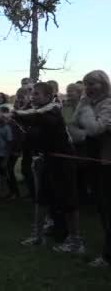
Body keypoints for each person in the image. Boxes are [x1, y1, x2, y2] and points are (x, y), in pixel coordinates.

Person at [15, 82, 84, 254]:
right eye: (32, 94)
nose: (33, 97)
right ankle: (38, 236)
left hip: (62, 163)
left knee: (68, 201)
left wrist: (13, 114)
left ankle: (76, 242)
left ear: (49, 96)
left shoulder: (52, 109)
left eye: (37, 94)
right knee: (42, 199)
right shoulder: (38, 111)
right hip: (46, 161)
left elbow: (35, 118)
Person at [71, 70, 111, 267]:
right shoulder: (90, 104)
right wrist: (83, 106)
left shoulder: (108, 104)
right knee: (102, 208)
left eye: (93, 83)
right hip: (94, 161)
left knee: (107, 209)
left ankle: (107, 256)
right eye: (86, 84)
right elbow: (74, 127)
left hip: (107, 163)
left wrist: (86, 111)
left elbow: (96, 129)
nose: (88, 88)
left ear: (104, 84)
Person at [0, 107, 16, 198]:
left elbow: (9, 144)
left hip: (2, 155)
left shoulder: (6, 128)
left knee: (3, 174)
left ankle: (5, 191)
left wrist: (6, 159)